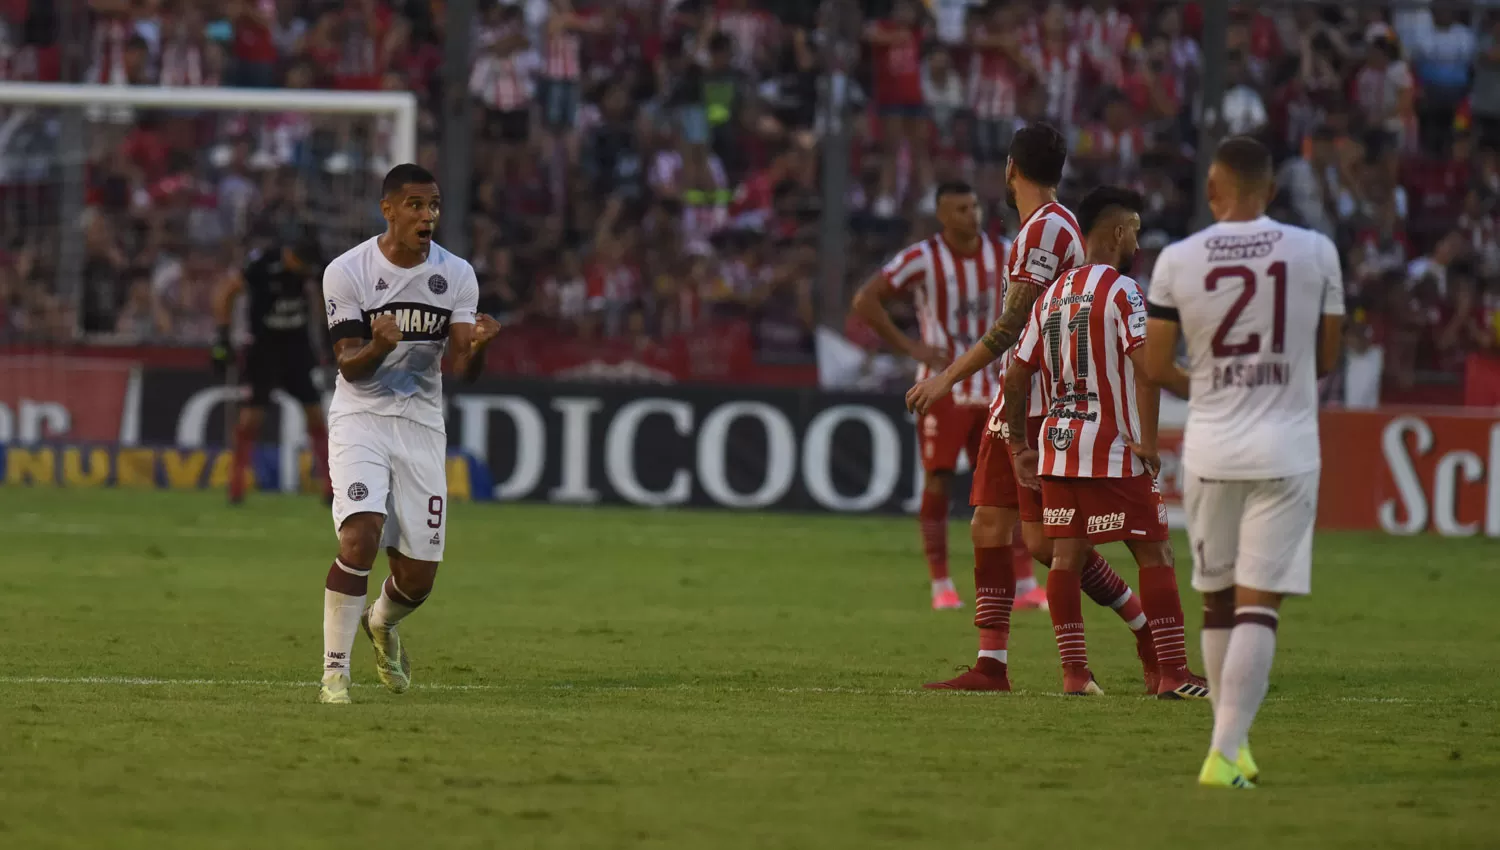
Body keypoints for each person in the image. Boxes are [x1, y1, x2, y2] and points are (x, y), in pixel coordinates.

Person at [908, 124, 1157, 692]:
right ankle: (991, 663)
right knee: (989, 525)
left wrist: (944, 378)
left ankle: (1141, 628)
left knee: (1045, 543)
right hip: (1022, 397)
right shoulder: (1047, 226)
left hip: (1041, 400)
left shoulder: (1045, 230)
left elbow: (1011, 329)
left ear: (1010, 168)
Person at [1141, 137, 1345, 787]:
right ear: (1272, 191)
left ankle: (1231, 745)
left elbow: (1154, 365)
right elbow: (1329, 358)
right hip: (1285, 447)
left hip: (1211, 448)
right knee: (1259, 607)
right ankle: (1224, 755)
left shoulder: (1176, 259)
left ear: (1212, 191)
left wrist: (1214, 387)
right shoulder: (1315, 251)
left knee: (1219, 605)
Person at [1003, 185, 1207, 701]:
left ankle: (1075, 674)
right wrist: (1146, 441)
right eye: (1135, 228)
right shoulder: (1124, 292)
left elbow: (1014, 377)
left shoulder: (1051, 293)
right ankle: (1174, 674)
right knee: (1155, 553)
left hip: (1057, 443)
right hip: (1112, 447)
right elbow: (1147, 369)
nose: (1137, 238)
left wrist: (1022, 445)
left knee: (1067, 557)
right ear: (1117, 233)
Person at [317, 164, 503, 705]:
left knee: (417, 580)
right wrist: (377, 345)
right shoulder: (347, 271)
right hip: (361, 418)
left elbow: (463, 370)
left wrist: (479, 348)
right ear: (389, 209)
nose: (428, 216)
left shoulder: (457, 275)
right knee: (360, 536)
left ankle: (381, 623)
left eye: (435, 206)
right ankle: (334, 674)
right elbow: (350, 365)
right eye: (417, 205)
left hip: (421, 424)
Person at [851, 181, 1008, 611]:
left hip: (997, 385)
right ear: (942, 216)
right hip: (943, 388)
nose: (970, 216)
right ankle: (941, 583)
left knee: (1002, 488)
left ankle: (1023, 582)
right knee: (939, 477)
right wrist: (913, 349)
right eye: (959, 210)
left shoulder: (1006, 253)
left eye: (974, 207)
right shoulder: (923, 257)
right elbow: (865, 300)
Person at [212, 231, 331, 505]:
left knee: (315, 415)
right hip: (263, 349)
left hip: (297, 347)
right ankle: (237, 485)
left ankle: (330, 486)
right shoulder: (262, 264)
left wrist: (326, 332)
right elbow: (227, 292)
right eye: (301, 263)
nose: (304, 269)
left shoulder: (313, 267)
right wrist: (222, 335)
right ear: (289, 253)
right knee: (251, 419)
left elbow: (322, 294)